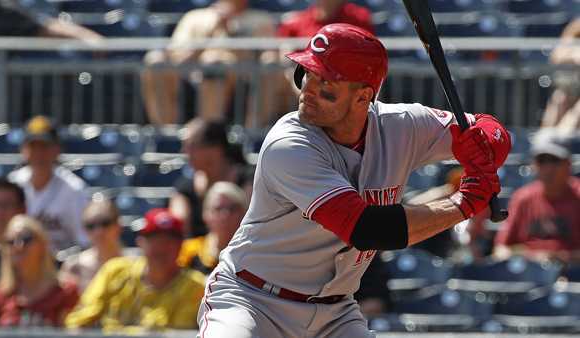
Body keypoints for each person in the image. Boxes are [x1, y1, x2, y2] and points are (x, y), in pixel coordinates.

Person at [197, 23, 510, 338]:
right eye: (307, 73)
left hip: (335, 312)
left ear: (363, 97)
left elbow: (492, 130)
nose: (309, 89)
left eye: (326, 82)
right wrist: (462, 204)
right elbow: (367, 228)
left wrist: (482, 144)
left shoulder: (401, 126)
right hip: (254, 299)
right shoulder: (289, 144)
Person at [65, 208, 206, 333]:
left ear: (181, 245)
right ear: (140, 242)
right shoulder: (115, 271)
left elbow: (176, 334)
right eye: (155, 240)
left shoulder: (195, 287)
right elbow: (79, 321)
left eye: (169, 241)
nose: (161, 248)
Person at [141, 0, 275, 125]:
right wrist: (208, 35)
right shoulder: (194, 17)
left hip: (242, 85)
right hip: (191, 80)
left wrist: (232, 34)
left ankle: (212, 135)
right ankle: (167, 135)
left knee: (214, 61)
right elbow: (178, 58)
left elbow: (268, 59)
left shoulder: (261, 19)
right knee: (154, 60)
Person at [259, 0, 375, 127]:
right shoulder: (296, 20)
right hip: (296, 81)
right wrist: (299, 81)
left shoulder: (358, 17)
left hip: (338, 83)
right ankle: (253, 134)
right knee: (270, 62)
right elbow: (285, 56)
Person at [493, 130, 580, 264]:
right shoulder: (523, 198)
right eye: (542, 161)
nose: (548, 168)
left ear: (568, 164)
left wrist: (560, 258)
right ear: (534, 165)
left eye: (554, 160)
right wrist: (532, 258)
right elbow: (501, 249)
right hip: (529, 276)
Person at [8, 115, 90, 253]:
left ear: (57, 150)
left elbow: (84, 241)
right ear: (23, 150)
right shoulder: (13, 184)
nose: (39, 153)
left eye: (45, 146)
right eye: (33, 146)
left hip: (59, 263)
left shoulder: (74, 189)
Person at [0, 215, 79, 327]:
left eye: (26, 239)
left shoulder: (66, 293)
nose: (18, 246)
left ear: (43, 245)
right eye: (10, 242)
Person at [169, 118, 249, 237]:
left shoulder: (248, 182)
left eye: (192, 145)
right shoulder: (184, 189)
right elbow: (176, 231)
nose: (185, 152)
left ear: (216, 149)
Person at [178, 182, 248, 275]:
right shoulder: (189, 251)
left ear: (244, 213)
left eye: (232, 208)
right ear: (205, 215)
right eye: (218, 209)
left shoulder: (254, 252)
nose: (225, 215)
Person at [59, 199, 129, 292]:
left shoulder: (136, 263)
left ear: (118, 225)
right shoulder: (74, 267)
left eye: (105, 223)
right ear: (84, 230)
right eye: (90, 226)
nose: (98, 232)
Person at [540, 17, 580, 132]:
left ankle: (561, 141)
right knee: (559, 98)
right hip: (571, 87)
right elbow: (556, 56)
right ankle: (544, 142)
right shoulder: (576, 26)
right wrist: (573, 56)